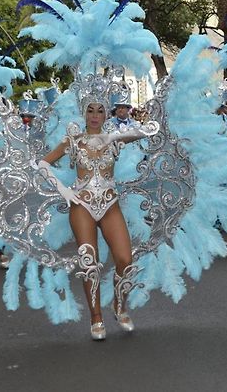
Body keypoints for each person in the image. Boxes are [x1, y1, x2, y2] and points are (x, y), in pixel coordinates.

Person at [38, 77, 158, 340]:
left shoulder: (114, 138)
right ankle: (96, 317)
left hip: (110, 202)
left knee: (125, 260)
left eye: (100, 109)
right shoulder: (73, 140)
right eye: (90, 110)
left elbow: (149, 129)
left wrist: (155, 108)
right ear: (83, 112)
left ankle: (119, 304)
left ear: (109, 112)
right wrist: (64, 190)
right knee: (89, 261)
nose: (95, 115)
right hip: (81, 204)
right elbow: (43, 164)